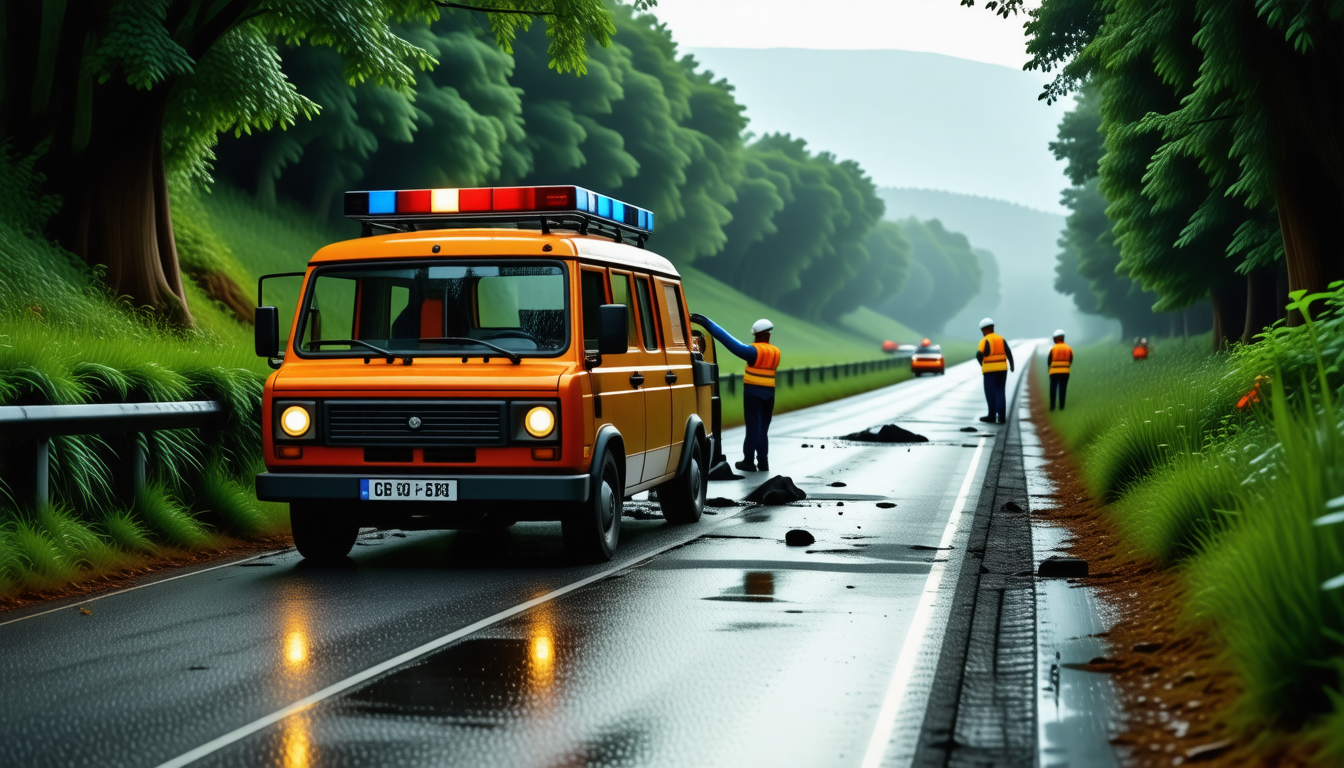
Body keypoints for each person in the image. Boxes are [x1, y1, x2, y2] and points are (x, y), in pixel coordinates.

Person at [690, 314, 780, 472]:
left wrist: (707, 323)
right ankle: (763, 460)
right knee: (763, 428)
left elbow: (730, 342)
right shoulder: (775, 352)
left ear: (757, 335)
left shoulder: (754, 351)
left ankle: (749, 460)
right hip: (770, 393)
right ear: (769, 335)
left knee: (753, 426)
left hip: (753, 393)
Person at [976, 317, 1015, 424]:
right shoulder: (1001, 339)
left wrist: (982, 365)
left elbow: (979, 354)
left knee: (990, 393)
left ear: (984, 330)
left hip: (989, 371)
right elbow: (1008, 352)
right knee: (1000, 392)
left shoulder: (984, 340)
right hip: (1002, 370)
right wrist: (1012, 365)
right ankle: (1002, 417)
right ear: (992, 327)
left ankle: (991, 416)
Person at [1047, 329, 1073, 411]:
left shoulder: (1053, 349)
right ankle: (1061, 406)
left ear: (1056, 339)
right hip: (1065, 372)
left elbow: (1049, 361)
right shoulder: (1068, 348)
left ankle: (1052, 406)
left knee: (1053, 389)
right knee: (1063, 388)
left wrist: (1050, 369)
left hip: (1054, 372)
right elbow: (1070, 359)